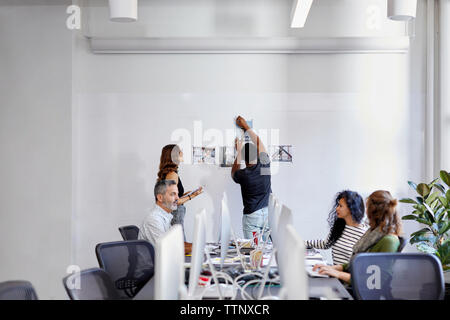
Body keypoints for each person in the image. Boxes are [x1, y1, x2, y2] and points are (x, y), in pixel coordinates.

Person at [313, 190, 403, 283]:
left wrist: (338, 274)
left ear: (372, 212)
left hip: (359, 291)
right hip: (352, 281)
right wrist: (333, 268)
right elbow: (358, 263)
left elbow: (376, 281)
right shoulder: (374, 232)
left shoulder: (389, 241)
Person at [232, 116, 272, 240]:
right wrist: (246, 126)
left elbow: (233, 173)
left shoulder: (243, 175)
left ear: (244, 159)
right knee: (267, 251)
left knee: (254, 252)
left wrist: (238, 152)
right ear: (258, 155)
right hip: (267, 214)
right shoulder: (265, 165)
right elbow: (259, 143)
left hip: (252, 216)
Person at [305, 190, 368, 265]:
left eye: (340, 206)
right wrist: (303, 243)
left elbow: (361, 265)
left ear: (351, 209)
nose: (337, 208)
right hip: (335, 273)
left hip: (347, 275)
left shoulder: (364, 234)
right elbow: (326, 244)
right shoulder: (340, 226)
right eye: (338, 205)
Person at [157, 144, 203, 237]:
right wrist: (192, 196)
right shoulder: (172, 175)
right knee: (179, 241)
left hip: (175, 213)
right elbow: (173, 201)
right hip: (175, 213)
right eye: (180, 152)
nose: (182, 153)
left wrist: (183, 195)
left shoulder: (170, 174)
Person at [139, 180, 193, 254]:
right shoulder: (154, 220)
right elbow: (167, 249)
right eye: (173, 194)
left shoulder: (166, 216)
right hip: (154, 265)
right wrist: (195, 247)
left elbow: (176, 243)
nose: (177, 198)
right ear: (160, 197)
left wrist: (197, 245)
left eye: (177, 194)